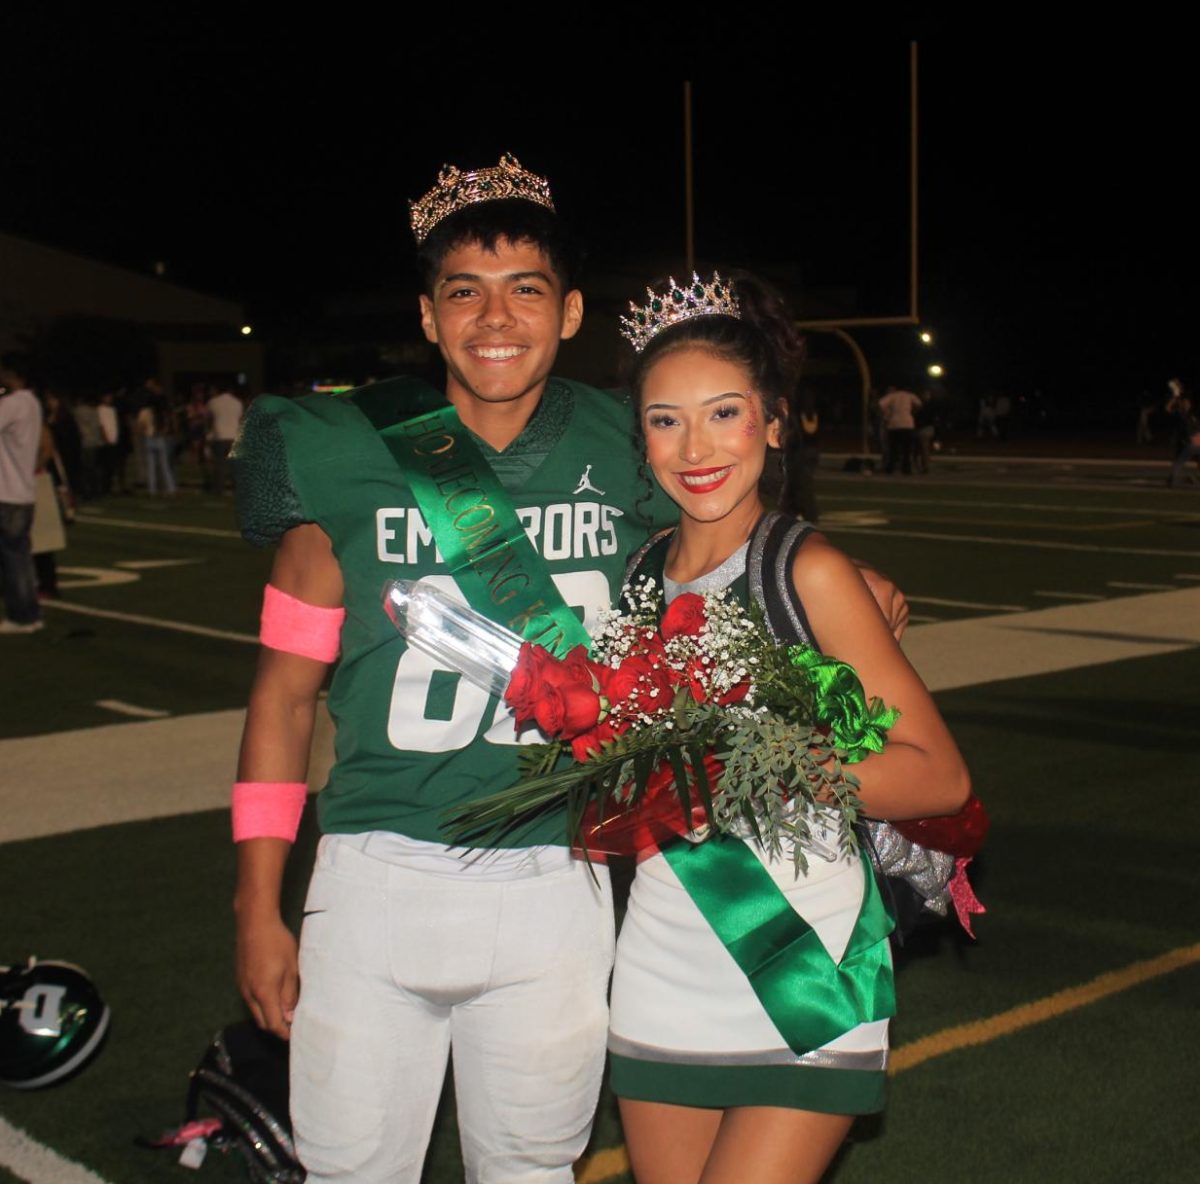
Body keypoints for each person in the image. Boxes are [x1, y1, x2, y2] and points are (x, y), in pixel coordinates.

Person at [230, 156, 910, 1184]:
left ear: (570, 308)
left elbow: (726, 518)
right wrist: (254, 902)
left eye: (526, 289)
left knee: (533, 1172)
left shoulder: (631, 442)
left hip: (559, 875)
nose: (494, 317)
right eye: (464, 289)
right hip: (372, 871)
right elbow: (281, 697)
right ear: (426, 313)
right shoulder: (342, 449)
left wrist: (842, 574)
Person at [608, 272, 969, 1184]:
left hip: (802, 964)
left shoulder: (807, 569)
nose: (695, 446)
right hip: (660, 963)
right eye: (665, 419)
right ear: (639, 435)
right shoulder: (639, 581)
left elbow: (937, 776)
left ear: (773, 424)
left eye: (724, 413)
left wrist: (788, 760)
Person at [0, 353, 45, 634]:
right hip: (23, 492)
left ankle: (21, 616)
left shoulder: (13, 403)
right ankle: (30, 613)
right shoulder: (31, 402)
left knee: (13, 560)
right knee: (21, 558)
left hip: (7, 493)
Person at [207, 384, 244, 494]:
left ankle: (219, 489)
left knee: (219, 464)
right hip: (234, 435)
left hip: (219, 435)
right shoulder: (238, 403)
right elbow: (241, 419)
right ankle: (237, 488)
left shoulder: (213, 402)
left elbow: (208, 419)